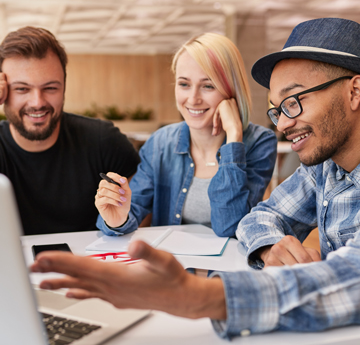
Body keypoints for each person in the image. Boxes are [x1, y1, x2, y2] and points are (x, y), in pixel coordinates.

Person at [32, 17, 360, 339]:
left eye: (294, 101)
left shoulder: (256, 142)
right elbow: (260, 218)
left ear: (355, 91)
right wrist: (269, 247)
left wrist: (200, 296)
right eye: (277, 109)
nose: (282, 125)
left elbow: (234, 225)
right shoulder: (323, 169)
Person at [95, 33, 277, 238]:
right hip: (171, 266)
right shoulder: (160, 143)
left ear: (231, 89)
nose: (193, 99)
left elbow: (230, 227)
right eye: (184, 84)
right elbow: (132, 208)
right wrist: (117, 218)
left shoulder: (259, 142)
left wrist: (234, 137)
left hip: (226, 268)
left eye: (208, 86)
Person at [0, 26, 140, 235]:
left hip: (92, 265)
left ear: (64, 87)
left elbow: (142, 212)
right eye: (21, 89)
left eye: (50, 88)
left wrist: (119, 223)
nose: (37, 102)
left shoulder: (103, 140)